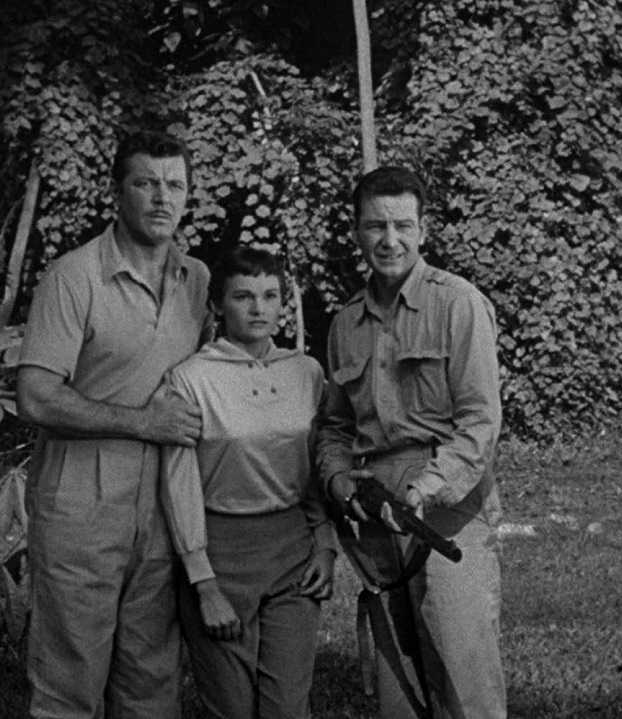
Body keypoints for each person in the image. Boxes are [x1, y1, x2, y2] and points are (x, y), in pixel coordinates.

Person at [16, 129, 209, 719]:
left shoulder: (196, 280)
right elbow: (36, 397)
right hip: (82, 503)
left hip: (165, 503)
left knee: (152, 682)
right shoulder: (73, 277)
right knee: (68, 685)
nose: (161, 198)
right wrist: (143, 423)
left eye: (174, 185)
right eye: (145, 183)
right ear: (116, 192)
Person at [317, 166, 508, 718]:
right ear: (357, 232)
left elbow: (479, 422)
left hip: (448, 513)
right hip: (376, 518)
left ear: (424, 230)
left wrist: (427, 487)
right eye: (375, 226)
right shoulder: (345, 322)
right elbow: (334, 426)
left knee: (463, 676)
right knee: (397, 686)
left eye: (403, 225)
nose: (389, 240)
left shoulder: (458, 304)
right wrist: (336, 479)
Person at [160, 245, 338, 718]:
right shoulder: (190, 379)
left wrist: (325, 544)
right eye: (243, 296)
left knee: (287, 707)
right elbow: (178, 483)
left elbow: (315, 464)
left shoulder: (306, 372)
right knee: (232, 709)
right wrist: (204, 583)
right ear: (218, 305)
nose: (259, 308)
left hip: (292, 554)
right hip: (220, 553)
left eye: (270, 295)